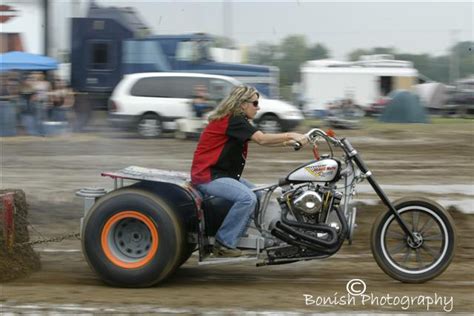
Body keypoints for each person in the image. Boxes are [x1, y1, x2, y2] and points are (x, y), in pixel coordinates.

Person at [190, 85, 308, 257]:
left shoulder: (235, 121)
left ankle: (237, 236)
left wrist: (288, 143)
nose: (258, 107)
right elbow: (261, 139)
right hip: (207, 176)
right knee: (247, 198)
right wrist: (291, 135)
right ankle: (223, 243)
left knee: (257, 194)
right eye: (255, 103)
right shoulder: (234, 120)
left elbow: (260, 139)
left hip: (222, 175)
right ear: (243, 104)